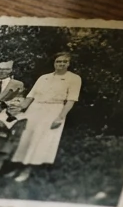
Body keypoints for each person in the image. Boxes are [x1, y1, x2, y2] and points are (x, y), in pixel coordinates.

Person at [11, 52, 81, 182]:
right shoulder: (44, 77)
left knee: (40, 140)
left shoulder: (74, 78)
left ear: (69, 63)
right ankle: (18, 167)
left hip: (53, 110)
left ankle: (28, 170)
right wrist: (19, 109)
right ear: (54, 63)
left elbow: (71, 101)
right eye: (58, 61)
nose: (61, 64)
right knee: (25, 137)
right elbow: (30, 96)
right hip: (34, 109)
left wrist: (60, 117)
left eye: (64, 62)